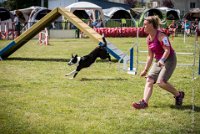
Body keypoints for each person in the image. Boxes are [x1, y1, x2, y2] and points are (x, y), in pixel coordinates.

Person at [132, 16, 185, 109]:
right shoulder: (148, 39)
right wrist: (145, 69)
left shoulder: (161, 36)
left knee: (161, 82)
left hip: (169, 59)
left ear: (152, 25)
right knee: (149, 79)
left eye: (145, 25)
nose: (143, 27)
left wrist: (162, 60)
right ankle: (144, 103)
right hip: (159, 61)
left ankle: (178, 95)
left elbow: (167, 50)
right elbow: (150, 56)